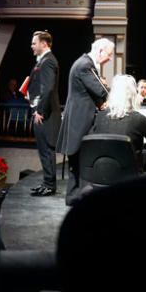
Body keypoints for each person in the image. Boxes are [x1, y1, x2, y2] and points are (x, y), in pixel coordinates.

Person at [57, 38, 114, 205]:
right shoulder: (85, 65)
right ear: (100, 51)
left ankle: (76, 197)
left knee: (79, 161)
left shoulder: (86, 64)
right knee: (80, 160)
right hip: (79, 121)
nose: (109, 59)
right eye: (109, 55)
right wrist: (113, 90)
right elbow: (99, 91)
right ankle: (77, 197)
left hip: (80, 119)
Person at [89, 75, 146, 168]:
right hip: (130, 179)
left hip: (101, 175)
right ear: (133, 95)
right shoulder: (139, 120)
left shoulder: (100, 116)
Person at [28, 31, 61, 197]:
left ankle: (49, 185)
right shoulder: (44, 61)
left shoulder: (48, 62)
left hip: (46, 114)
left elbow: (47, 89)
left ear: (44, 44)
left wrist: (39, 111)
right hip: (42, 112)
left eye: (34, 43)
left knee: (47, 150)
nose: (32, 46)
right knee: (44, 150)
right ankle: (46, 183)